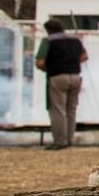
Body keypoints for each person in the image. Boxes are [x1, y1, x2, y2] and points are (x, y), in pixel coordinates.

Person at [35, 21, 86, 149]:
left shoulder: (48, 40)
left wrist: (50, 67)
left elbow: (40, 62)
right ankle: (69, 139)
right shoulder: (75, 39)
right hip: (75, 76)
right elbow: (84, 56)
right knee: (71, 109)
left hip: (57, 76)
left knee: (58, 110)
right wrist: (71, 62)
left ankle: (59, 141)